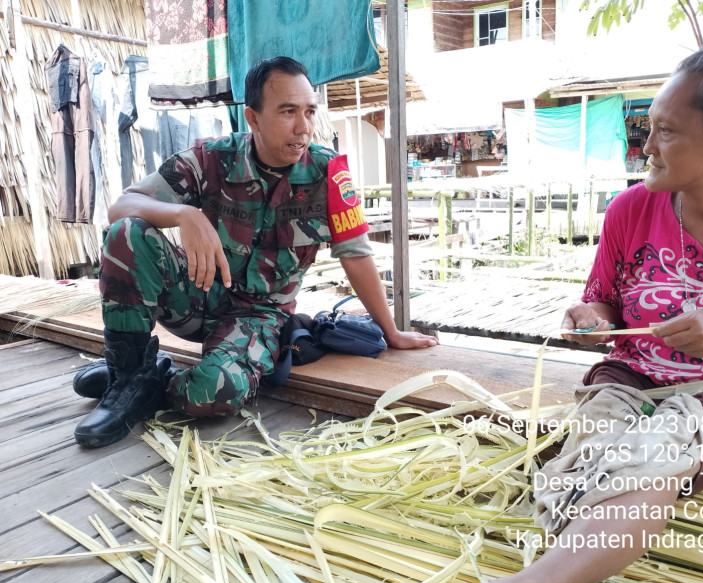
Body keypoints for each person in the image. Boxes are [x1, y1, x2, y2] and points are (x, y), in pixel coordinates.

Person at [396, 43, 703, 583]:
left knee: (660, 449)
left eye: (666, 131)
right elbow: (605, 304)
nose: (646, 146)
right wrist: (592, 318)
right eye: (649, 127)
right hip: (633, 377)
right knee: (589, 449)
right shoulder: (630, 210)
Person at [72, 56, 438, 449]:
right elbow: (121, 207)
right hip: (196, 296)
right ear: (253, 118)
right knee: (127, 233)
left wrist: (391, 332)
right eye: (288, 112)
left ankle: (151, 378)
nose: (303, 127)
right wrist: (182, 214)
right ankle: (126, 381)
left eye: (309, 111)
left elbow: (356, 255)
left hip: (258, 318)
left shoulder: (328, 173)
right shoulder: (212, 159)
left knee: (211, 394)